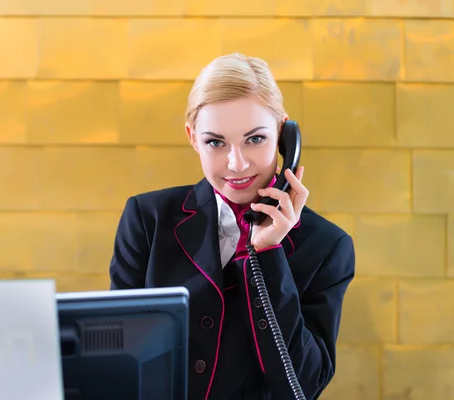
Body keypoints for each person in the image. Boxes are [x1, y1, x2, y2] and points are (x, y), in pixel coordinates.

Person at [109, 53, 355, 400]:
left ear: (284, 137)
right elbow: (116, 359)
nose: (237, 164)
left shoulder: (328, 246)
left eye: (255, 139)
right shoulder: (147, 218)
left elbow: (302, 386)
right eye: (216, 142)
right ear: (193, 138)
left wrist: (268, 254)